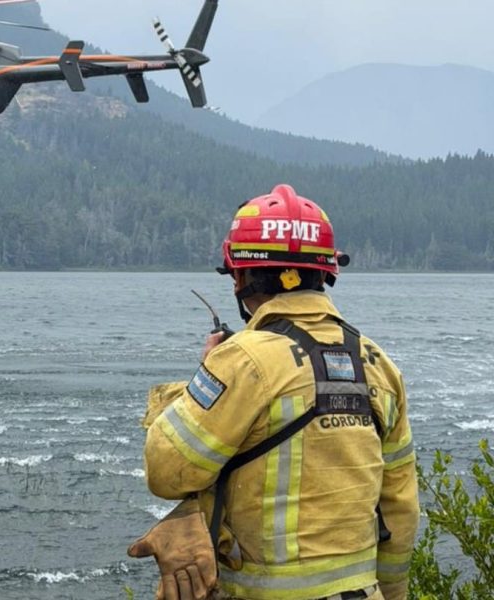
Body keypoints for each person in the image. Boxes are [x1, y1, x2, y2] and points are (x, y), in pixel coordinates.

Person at [127, 184, 419, 600]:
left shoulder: (242, 360)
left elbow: (167, 470)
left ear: (241, 277)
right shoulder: (379, 365)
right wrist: (392, 592)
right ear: (325, 273)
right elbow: (401, 509)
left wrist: (203, 375)